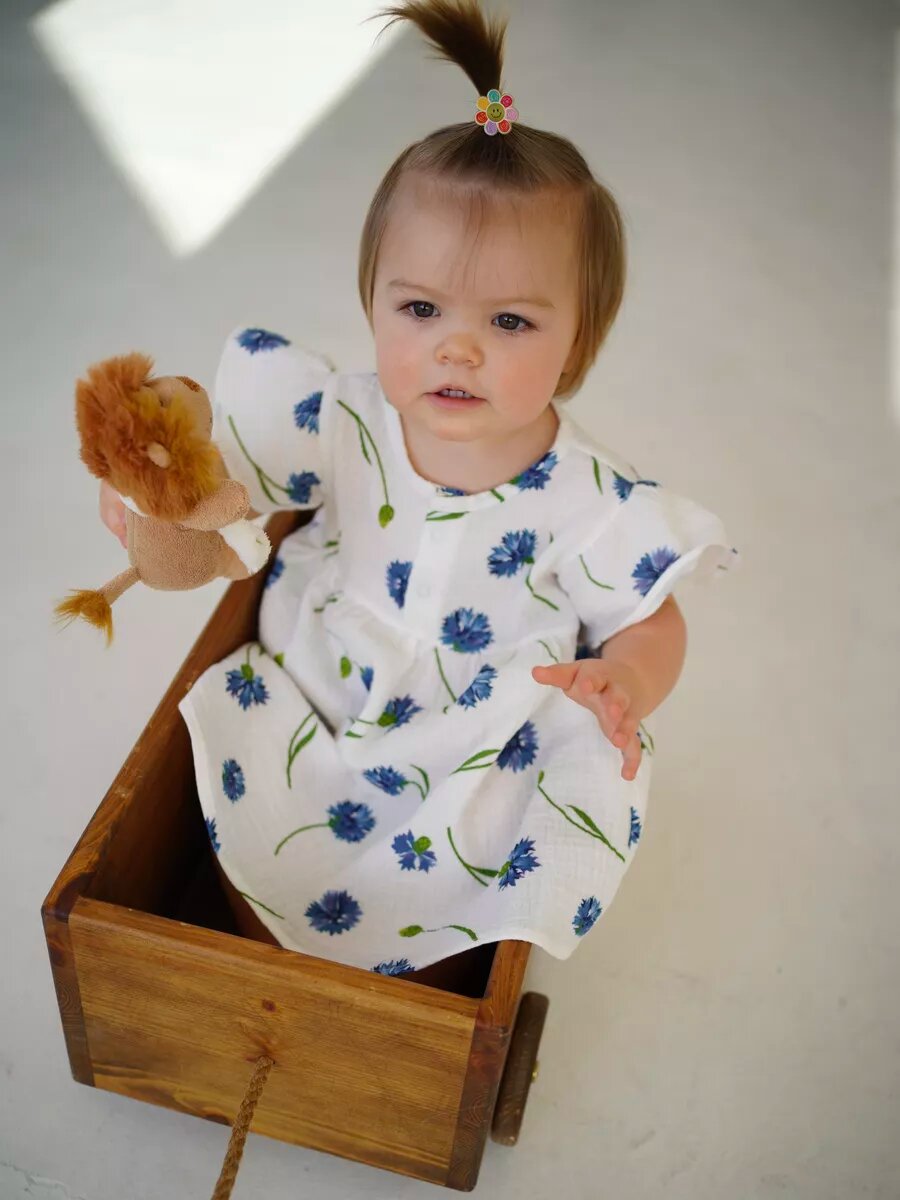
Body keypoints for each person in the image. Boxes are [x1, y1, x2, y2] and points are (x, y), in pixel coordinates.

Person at [100, 0, 738, 983]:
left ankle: (435, 960)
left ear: (580, 341)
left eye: (511, 322)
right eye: (421, 308)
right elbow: (230, 477)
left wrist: (628, 680)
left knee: (520, 808)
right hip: (328, 682)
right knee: (261, 774)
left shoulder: (593, 499)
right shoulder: (343, 418)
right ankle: (272, 932)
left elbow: (649, 617)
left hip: (479, 730)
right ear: (373, 302)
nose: (458, 348)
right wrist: (162, 494)